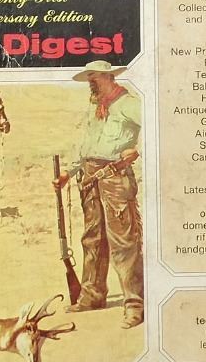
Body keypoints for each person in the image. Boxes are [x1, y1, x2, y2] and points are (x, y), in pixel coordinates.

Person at [53, 61, 144, 328]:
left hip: (115, 177)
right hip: (90, 178)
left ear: (108, 77)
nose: (90, 83)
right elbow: (86, 147)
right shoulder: (97, 108)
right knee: (92, 238)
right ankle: (92, 296)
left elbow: (159, 126)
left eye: (94, 78)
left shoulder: (129, 104)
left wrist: (137, 151)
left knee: (123, 242)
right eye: (89, 78)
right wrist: (68, 173)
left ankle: (135, 306)